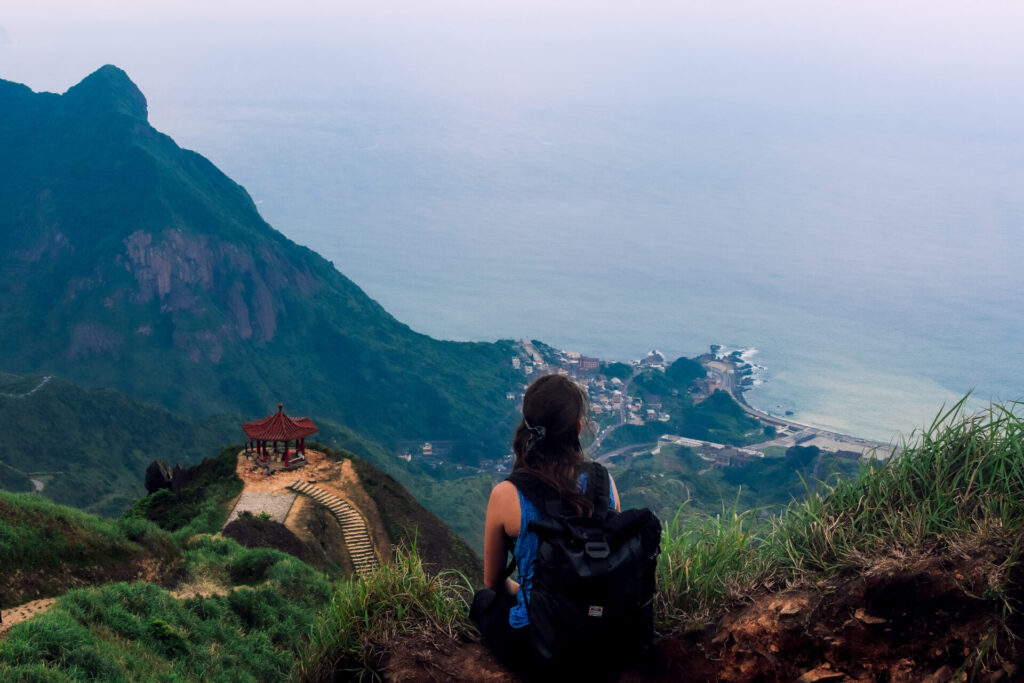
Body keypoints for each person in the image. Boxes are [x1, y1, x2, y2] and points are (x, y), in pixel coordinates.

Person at [472, 374, 620, 678]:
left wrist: (530, 590)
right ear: (578, 428)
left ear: (527, 429)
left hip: (538, 648)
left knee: (482, 600)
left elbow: (492, 582)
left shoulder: (506, 494)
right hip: (600, 637)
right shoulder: (605, 483)